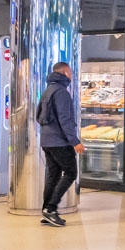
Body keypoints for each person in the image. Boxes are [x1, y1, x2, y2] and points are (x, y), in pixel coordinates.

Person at [38, 62, 85, 226]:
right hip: (60, 141)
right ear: (65, 73)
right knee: (71, 172)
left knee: (53, 175)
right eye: (70, 72)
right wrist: (75, 141)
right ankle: (51, 209)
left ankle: (46, 210)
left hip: (47, 140)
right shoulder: (61, 92)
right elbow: (65, 119)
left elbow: (39, 116)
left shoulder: (48, 91)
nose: (71, 75)